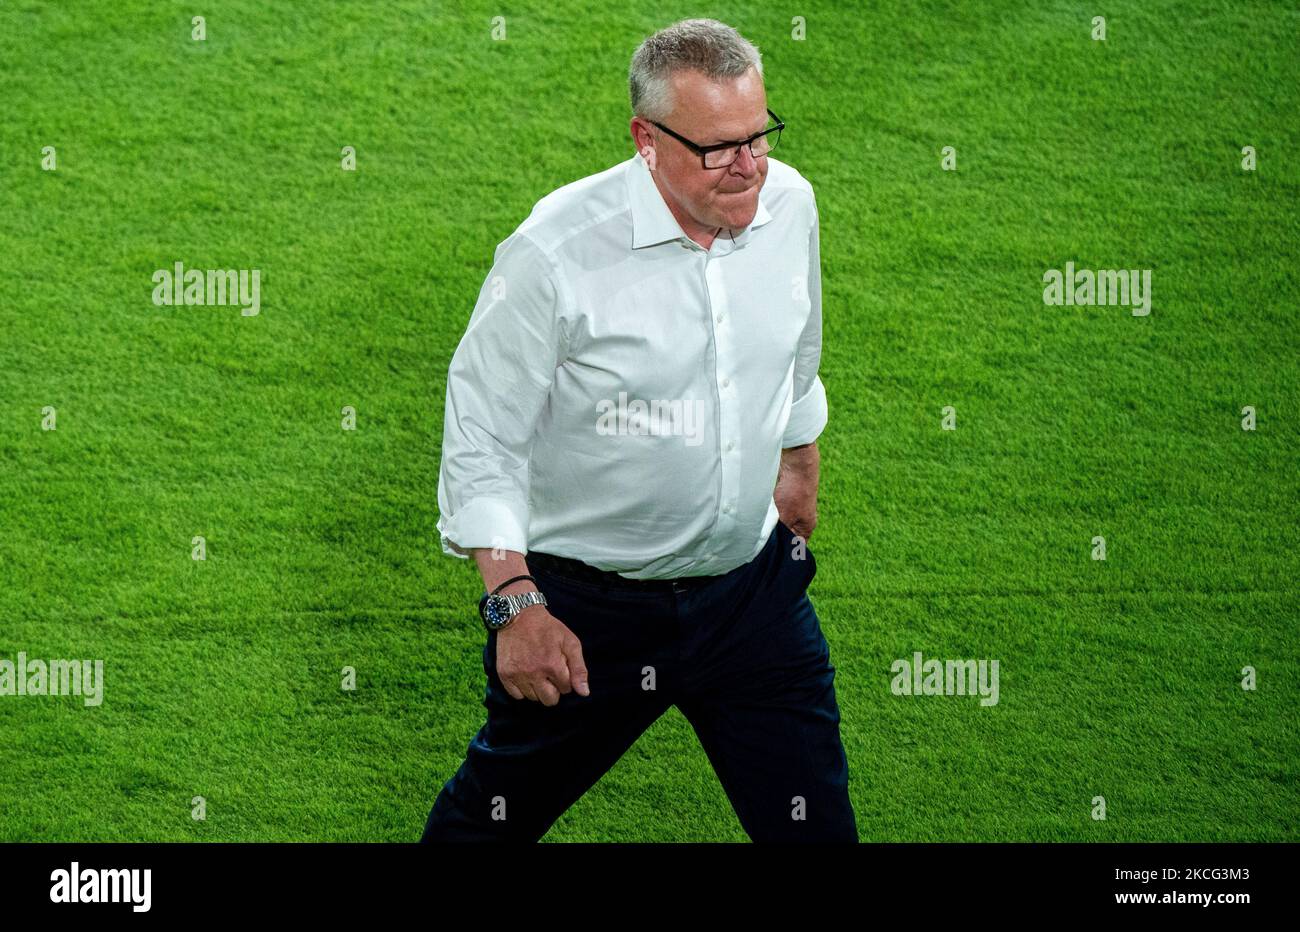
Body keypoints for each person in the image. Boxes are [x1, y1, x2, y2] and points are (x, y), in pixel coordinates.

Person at [421, 18, 856, 842]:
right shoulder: (553, 254)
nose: (750, 165)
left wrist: (798, 455)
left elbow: (798, 343)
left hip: (751, 596)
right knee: (488, 825)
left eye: (759, 135)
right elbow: (483, 432)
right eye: (718, 147)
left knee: (816, 828)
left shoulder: (790, 204)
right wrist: (514, 605)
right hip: (590, 618)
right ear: (646, 140)